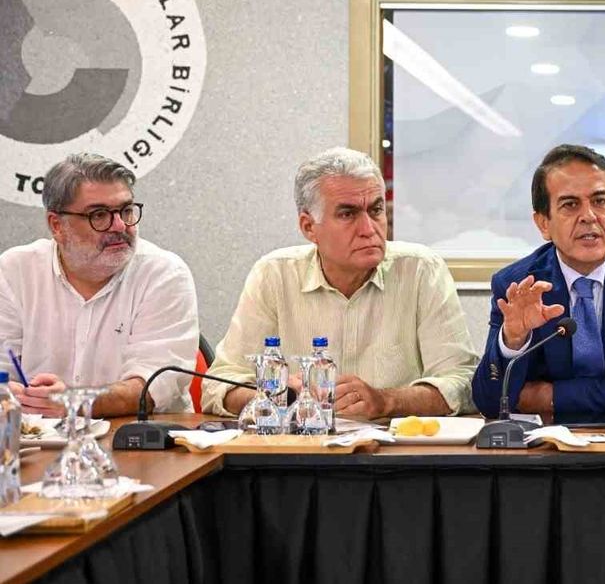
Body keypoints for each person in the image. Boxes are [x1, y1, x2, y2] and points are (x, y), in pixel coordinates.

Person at [202, 148, 477, 418]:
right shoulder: (274, 275)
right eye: (348, 214)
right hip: (300, 444)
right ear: (309, 227)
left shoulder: (421, 270)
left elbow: (463, 384)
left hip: (392, 445)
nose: (369, 229)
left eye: (376, 210)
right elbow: (219, 386)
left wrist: (387, 401)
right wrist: (278, 395)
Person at [471, 144, 605, 424]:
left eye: (599, 201)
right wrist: (514, 340)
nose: (589, 216)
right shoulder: (519, 286)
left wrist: (549, 396)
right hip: (547, 446)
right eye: (570, 205)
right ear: (543, 224)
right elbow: (491, 402)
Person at [0, 153, 199, 416]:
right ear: (57, 225)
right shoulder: (14, 271)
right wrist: (11, 394)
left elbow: (152, 387)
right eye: (99, 215)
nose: (120, 225)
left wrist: (74, 402)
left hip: (141, 436)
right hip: (36, 436)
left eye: (126, 210)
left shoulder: (164, 274)